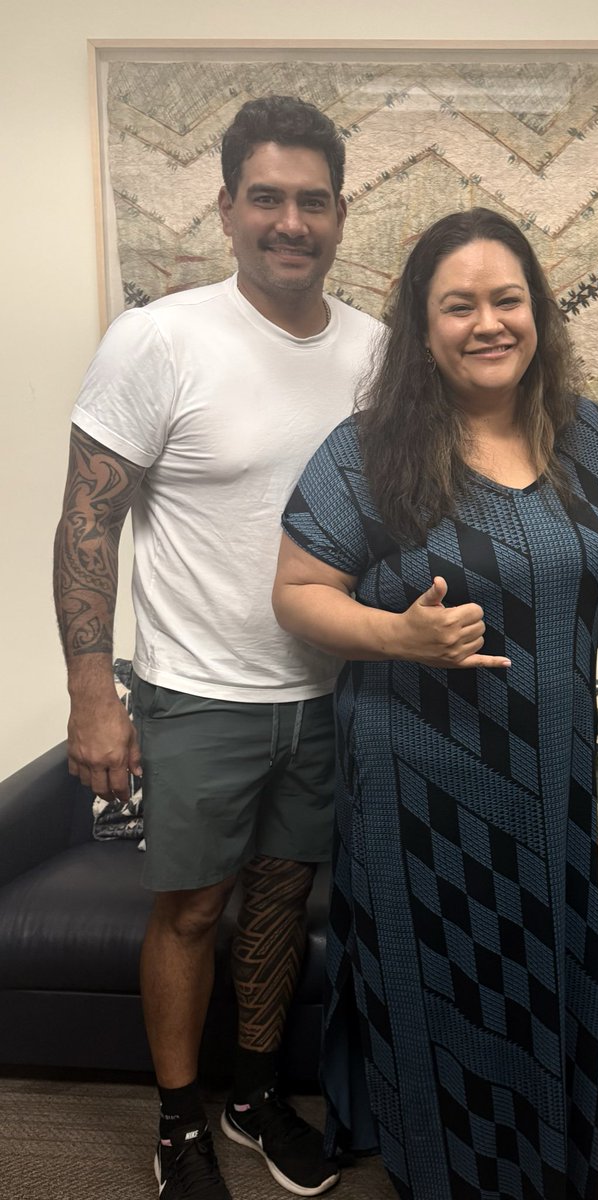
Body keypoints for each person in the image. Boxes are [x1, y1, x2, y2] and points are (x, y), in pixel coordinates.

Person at [272, 207, 598, 1199]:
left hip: (549, 771)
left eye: (507, 299)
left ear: (539, 312)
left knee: (545, 970)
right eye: (459, 305)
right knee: (434, 981)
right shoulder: (368, 451)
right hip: (417, 781)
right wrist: (401, 635)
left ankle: (544, 1161)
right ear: (424, 326)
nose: (488, 322)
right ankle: (435, 1172)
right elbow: (297, 592)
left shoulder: (594, 441)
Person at [53, 95, 382, 1200]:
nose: (291, 221)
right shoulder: (159, 340)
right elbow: (88, 517)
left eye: (314, 201)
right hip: (196, 694)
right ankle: (179, 1119)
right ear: (229, 206)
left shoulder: (376, 353)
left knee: (284, 900)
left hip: (331, 691)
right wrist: (94, 689)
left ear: (343, 213)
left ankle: (251, 1095)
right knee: (193, 910)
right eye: (268, 198)